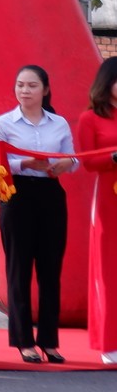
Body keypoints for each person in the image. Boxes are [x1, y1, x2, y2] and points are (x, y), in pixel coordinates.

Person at [0, 63, 76, 363]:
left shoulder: (59, 124)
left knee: (51, 270)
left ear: (45, 90)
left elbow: (71, 157)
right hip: (16, 195)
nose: (24, 91)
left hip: (51, 194)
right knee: (19, 269)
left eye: (31, 86)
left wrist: (66, 164)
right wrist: (24, 164)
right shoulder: (3, 124)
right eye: (20, 85)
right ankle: (23, 340)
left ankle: (49, 341)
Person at [74, 56, 117, 365]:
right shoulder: (90, 119)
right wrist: (114, 158)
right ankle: (110, 341)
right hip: (108, 199)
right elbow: (88, 161)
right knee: (109, 269)